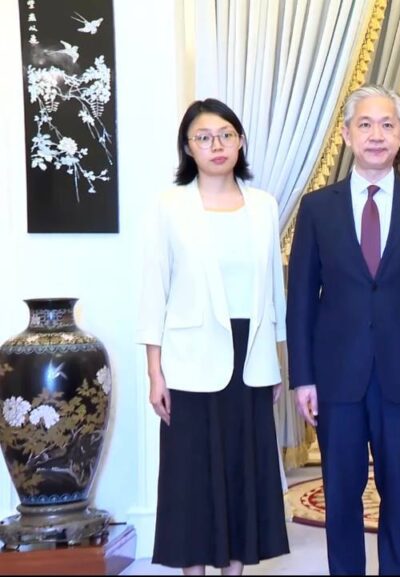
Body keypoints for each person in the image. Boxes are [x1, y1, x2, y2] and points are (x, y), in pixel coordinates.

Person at [286, 84, 400, 576]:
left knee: (399, 492)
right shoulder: (317, 208)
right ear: (346, 134)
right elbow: (301, 301)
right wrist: (303, 377)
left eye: (386, 125)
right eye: (365, 124)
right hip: (336, 377)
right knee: (341, 494)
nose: (376, 135)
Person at [137, 98, 290, 575]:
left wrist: (276, 361)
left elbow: (274, 290)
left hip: (250, 356)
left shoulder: (263, 205)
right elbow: (154, 290)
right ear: (188, 147)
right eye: (203, 137)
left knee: (243, 471)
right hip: (189, 358)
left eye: (225, 134)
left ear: (240, 141)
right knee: (192, 477)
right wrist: (155, 372)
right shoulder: (170, 206)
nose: (216, 145)